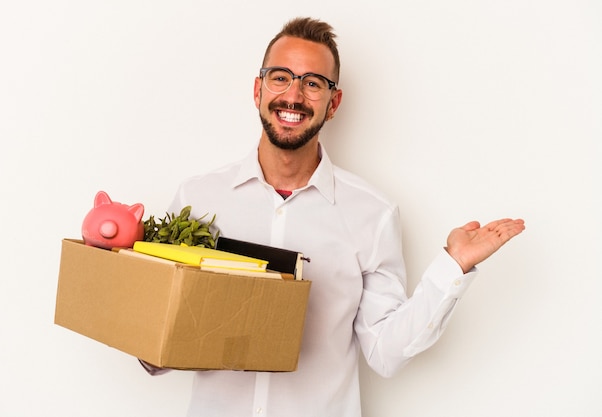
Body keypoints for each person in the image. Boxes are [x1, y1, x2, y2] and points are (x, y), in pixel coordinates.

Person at [140, 17, 525, 417]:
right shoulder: (198, 198)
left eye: (312, 83)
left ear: (333, 102)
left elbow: (386, 353)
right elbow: (163, 337)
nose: (293, 95)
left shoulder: (372, 214)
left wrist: (452, 268)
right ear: (258, 90)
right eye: (280, 77)